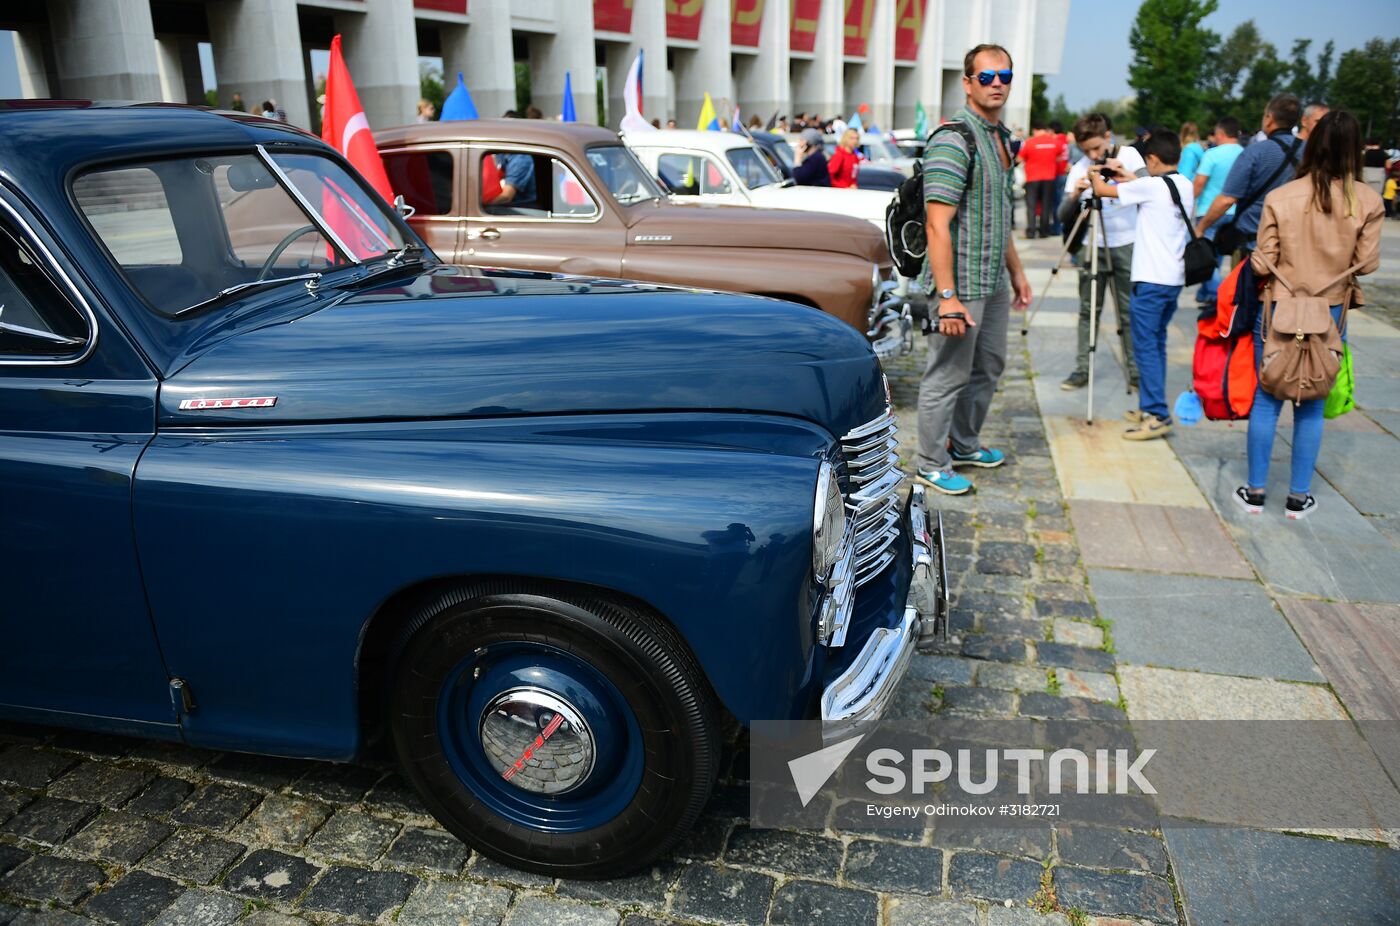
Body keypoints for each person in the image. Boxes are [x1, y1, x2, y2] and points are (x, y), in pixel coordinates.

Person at [1238, 110, 1384, 519]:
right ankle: (1298, 498)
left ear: (1313, 143)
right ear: (1355, 150)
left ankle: (1254, 492)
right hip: (1330, 310)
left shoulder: (1282, 197)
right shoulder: (1368, 202)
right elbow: (1367, 264)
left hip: (1278, 308)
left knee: (1267, 397)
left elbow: (1261, 264)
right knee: (1313, 402)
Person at [915, 43, 1033, 495]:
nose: (997, 83)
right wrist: (947, 298)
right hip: (959, 281)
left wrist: (1017, 272)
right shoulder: (954, 137)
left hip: (992, 279)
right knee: (947, 375)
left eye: (1005, 75)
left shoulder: (1000, 139)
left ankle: (963, 443)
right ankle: (930, 460)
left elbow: (997, 214)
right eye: (986, 77)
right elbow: (936, 224)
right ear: (968, 83)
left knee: (989, 366)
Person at [1091, 128, 1194, 441]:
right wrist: (1124, 174)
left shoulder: (1150, 186)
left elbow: (1102, 191)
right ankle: (1150, 405)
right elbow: (1150, 190)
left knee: (1145, 348)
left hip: (1150, 280)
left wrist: (1097, 172)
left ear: (1152, 159)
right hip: (1173, 279)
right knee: (1156, 344)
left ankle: (1157, 414)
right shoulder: (1183, 184)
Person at [1057, 112, 1146, 391]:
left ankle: (1135, 370)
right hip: (1092, 244)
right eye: (1087, 151)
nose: (1094, 155)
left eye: (1097, 148)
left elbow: (1152, 191)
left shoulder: (1130, 155)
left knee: (1129, 311)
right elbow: (1061, 214)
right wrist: (1076, 194)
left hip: (1127, 242)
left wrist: (1126, 177)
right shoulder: (1079, 168)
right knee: (1088, 310)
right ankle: (1082, 368)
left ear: (1108, 136)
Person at [1196, 94, 1304, 256]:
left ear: (1269, 118)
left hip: (1255, 242)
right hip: (1294, 240)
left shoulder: (1255, 152)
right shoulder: (1310, 151)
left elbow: (1227, 199)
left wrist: (1201, 227)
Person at [1191, 117, 1245, 304]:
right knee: (1221, 255)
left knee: (1208, 256)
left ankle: (1214, 295)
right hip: (1236, 211)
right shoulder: (1245, 154)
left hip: (1209, 211)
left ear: (1221, 134)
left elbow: (1199, 182)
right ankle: (1206, 292)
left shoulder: (1212, 155)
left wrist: (1190, 201)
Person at [1018, 124, 1059, 238]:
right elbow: (1059, 156)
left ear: (1035, 130)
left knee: (1031, 206)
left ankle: (1031, 231)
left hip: (1032, 178)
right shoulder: (1054, 142)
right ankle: (1044, 231)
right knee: (1046, 205)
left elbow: (1019, 158)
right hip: (1049, 177)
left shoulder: (1030, 142)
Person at [1050, 120, 1069, 235]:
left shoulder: (1055, 142)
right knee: (1064, 201)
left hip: (1057, 174)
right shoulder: (1066, 140)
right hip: (1065, 174)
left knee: (1056, 203)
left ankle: (1057, 228)